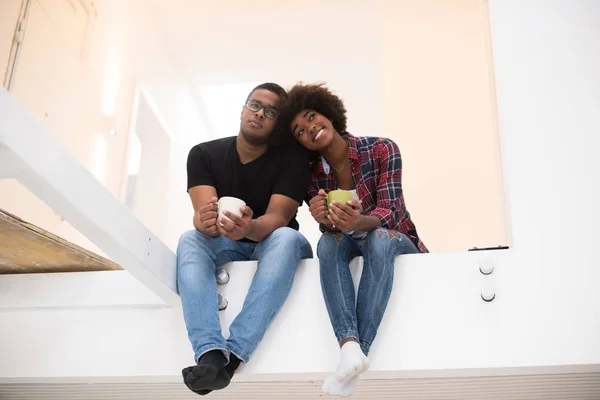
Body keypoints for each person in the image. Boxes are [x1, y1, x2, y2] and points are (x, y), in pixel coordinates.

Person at [283, 83, 428, 397]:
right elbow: (333, 232)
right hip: (349, 240)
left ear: (330, 114)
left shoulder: (382, 148)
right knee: (326, 244)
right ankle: (350, 350)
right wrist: (323, 220)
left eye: (312, 117)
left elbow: (393, 211)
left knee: (378, 237)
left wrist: (360, 221)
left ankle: (357, 351)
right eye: (299, 131)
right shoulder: (312, 176)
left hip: (396, 238)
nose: (310, 129)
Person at [177, 82, 313, 396]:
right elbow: (203, 217)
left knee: (287, 238)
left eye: (271, 112)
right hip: (227, 242)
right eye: (255, 105)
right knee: (189, 239)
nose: (260, 114)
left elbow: (278, 218)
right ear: (243, 109)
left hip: (272, 244)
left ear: (278, 124)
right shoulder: (203, 154)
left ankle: (233, 358)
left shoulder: (292, 160)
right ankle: (210, 353)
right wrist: (206, 220)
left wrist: (247, 229)